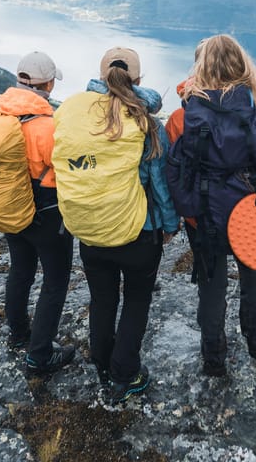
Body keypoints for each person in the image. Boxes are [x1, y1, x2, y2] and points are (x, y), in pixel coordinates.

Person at [52, 47, 179, 404]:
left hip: (91, 230)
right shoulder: (146, 122)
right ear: (138, 80)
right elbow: (159, 183)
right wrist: (169, 225)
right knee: (137, 301)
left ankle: (104, 367)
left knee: (102, 300)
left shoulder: (74, 113)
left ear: (101, 75)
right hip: (139, 232)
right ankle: (126, 376)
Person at [166, 34, 256, 377]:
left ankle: (214, 355)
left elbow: (176, 174)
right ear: (242, 66)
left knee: (211, 283)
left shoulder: (181, 119)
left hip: (204, 217)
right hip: (250, 213)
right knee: (253, 273)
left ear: (200, 69)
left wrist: (187, 212)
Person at [0, 51, 74, 377]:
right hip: (47, 214)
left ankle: (17, 333)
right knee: (55, 282)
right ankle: (39, 356)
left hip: (12, 207)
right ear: (49, 84)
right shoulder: (46, 127)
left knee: (21, 270)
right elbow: (67, 170)